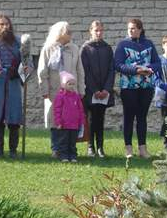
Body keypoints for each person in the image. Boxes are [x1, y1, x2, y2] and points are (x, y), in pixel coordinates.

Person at [112, 18, 162, 159]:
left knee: (142, 117)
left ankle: (142, 149)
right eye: (129, 28)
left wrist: (149, 69)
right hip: (128, 87)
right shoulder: (123, 45)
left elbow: (157, 63)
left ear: (140, 29)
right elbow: (118, 65)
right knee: (129, 117)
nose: (131, 30)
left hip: (146, 87)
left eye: (134, 28)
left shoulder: (149, 44)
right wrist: (136, 70)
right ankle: (128, 148)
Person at [38, 21, 86, 161]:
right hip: (55, 91)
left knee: (70, 119)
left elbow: (79, 70)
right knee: (56, 119)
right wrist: (44, 90)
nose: (71, 34)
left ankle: (69, 148)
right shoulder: (48, 49)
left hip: (72, 92)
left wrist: (81, 89)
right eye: (68, 32)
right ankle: (56, 148)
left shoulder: (74, 49)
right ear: (59, 33)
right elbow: (42, 71)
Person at [0, 13, 24, 159]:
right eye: (1, 24)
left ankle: (13, 150)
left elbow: (27, 63)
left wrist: (23, 70)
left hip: (13, 82)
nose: (5, 27)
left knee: (14, 118)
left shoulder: (18, 42)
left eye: (7, 24)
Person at [80, 20, 115, 158]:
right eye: (96, 30)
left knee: (100, 118)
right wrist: (94, 90)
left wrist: (107, 89)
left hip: (104, 90)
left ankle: (100, 147)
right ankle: (90, 147)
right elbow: (85, 71)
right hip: (91, 90)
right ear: (91, 31)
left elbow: (112, 70)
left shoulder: (107, 48)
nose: (99, 33)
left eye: (101, 30)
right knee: (90, 119)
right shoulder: (86, 49)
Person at [52, 71, 85, 163]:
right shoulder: (60, 96)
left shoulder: (76, 97)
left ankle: (73, 155)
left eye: (73, 84)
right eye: (69, 84)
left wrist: (81, 121)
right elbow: (57, 110)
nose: (71, 86)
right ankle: (64, 156)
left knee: (72, 142)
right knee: (64, 141)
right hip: (64, 124)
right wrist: (58, 122)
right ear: (63, 84)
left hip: (74, 124)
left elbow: (80, 109)